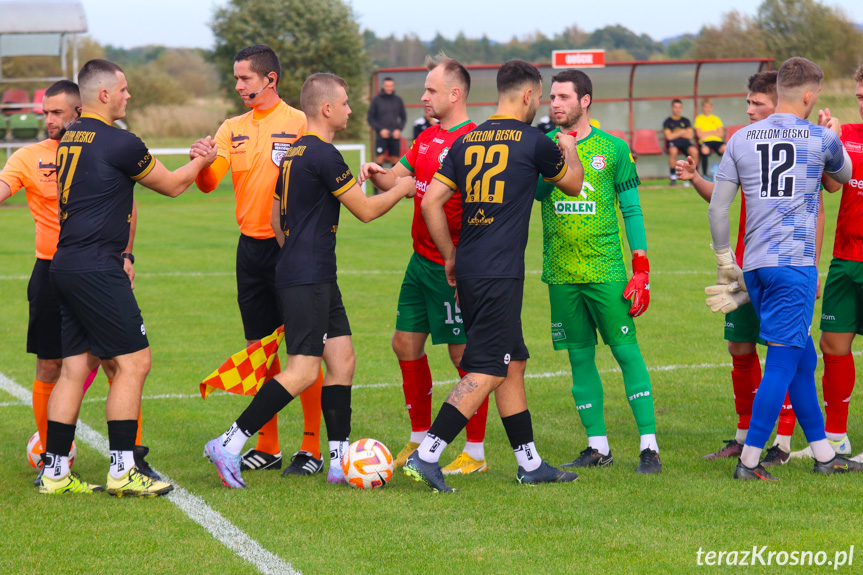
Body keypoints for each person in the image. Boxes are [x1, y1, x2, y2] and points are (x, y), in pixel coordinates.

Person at [203, 73, 417, 489]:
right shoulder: (323, 153)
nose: (351, 109)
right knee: (302, 370)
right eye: (346, 102)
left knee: (343, 361)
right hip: (309, 276)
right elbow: (368, 212)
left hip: (309, 272)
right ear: (326, 108)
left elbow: (275, 218)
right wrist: (402, 187)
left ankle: (338, 460)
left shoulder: (295, 151)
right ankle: (229, 442)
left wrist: (299, 250)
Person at [406, 59, 585, 492]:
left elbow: (431, 203)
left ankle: (530, 462)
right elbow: (574, 184)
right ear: (527, 95)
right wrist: (572, 149)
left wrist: (450, 254)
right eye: (539, 96)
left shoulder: (469, 140)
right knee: (486, 367)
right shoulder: (535, 142)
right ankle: (427, 455)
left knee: (514, 362)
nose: (539, 103)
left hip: (470, 265)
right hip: (499, 273)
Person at [40, 58, 217, 495]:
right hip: (98, 267)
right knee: (135, 362)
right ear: (103, 94)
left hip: (64, 264)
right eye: (123, 88)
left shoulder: (68, 138)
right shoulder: (120, 141)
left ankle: (55, 472)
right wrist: (202, 160)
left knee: (73, 369)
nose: (128, 95)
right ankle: (123, 469)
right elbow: (173, 185)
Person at [0, 80, 160, 486]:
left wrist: (126, 255)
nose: (49, 120)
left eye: (57, 113)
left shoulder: (96, 147)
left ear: (79, 111)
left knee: (109, 363)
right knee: (58, 364)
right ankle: (56, 458)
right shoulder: (28, 157)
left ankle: (129, 456)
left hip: (95, 265)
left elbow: (129, 206)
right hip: (55, 270)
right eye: (45, 113)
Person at [706, 57, 858, 480]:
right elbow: (843, 175)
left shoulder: (741, 138)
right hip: (794, 266)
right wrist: (833, 136)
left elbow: (719, 208)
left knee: (803, 361)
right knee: (781, 362)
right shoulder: (819, 139)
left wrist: (724, 260)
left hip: (754, 267)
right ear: (810, 96)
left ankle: (825, 455)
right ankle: (750, 461)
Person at [677, 72, 833, 466]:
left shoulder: (774, 142)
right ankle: (751, 450)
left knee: (796, 357)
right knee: (757, 351)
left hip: (764, 268)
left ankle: (800, 447)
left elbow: (822, 203)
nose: (750, 111)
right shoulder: (755, 142)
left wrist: (812, 266)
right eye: (747, 104)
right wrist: (697, 178)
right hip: (766, 269)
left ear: (779, 101)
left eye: (757, 104)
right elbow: (722, 197)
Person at [194, 44, 325, 476]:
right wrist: (203, 161)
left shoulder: (301, 122)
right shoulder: (232, 127)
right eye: (236, 78)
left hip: (291, 249)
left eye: (245, 78)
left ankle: (310, 447)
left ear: (270, 79)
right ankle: (267, 447)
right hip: (249, 250)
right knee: (260, 350)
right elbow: (210, 184)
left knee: (303, 349)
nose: (238, 86)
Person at [359, 55, 490, 475]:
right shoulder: (427, 137)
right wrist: (376, 172)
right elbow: (398, 179)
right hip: (419, 262)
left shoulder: (473, 140)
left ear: (455, 94)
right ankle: (418, 438)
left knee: (464, 357)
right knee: (405, 343)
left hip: (452, 266)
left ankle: (475, 451)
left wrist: (461, 257)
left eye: (431, 90)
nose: (423, 97)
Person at [536, 69, 660, 474]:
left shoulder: (614, 148)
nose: (555, 104)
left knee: (626, 353)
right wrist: (550, 156)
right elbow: (535, 194)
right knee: (579, 359)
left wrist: (639, 266)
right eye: (552, 97)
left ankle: (648, 446)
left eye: (564, 97)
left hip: (606, 269)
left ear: (585, 101)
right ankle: (598, 446)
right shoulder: (541, 147)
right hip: (560, 272)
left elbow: (632, 209)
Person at [790, 64, 863, 462]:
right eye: (859, 97)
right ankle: (836, 439)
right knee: (833, 345)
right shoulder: (848, 135)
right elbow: (832, 186)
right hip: (845, 259)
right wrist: (828, 137)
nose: (862, 104)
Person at [367, 77, 406, 165]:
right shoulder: (376, 100)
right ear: (383, 86)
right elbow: (370, 118)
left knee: (395, 161)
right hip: (381, 136)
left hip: (394, 136)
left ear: (393, 86)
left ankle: (393, 179)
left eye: (391, 86)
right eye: (387, 86)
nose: (389, 88)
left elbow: (403, 118)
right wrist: (380, 130)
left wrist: (398, 130)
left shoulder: (398, 100)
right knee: (379, 160)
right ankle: (378, 179)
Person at [663, 99, 698, 186]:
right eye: (675, 107)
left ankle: (694, 175)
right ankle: (673, 177)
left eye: (679, 107)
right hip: (673, 143)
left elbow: (690, 136)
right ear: (672, 108)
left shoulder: (686, 121)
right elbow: (669, 137)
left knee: (694, 151)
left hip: (685, 143)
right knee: (673, 151)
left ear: (681, 108)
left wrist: (675, 133)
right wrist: (682, 132)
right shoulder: (668, 121)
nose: (677, 109)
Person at [694, 98, 726, 178]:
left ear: (712, 108)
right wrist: (713, 132)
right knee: (705, 150)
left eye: (709, 107)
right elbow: (699, 135)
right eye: (706, 107)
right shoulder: (699, 119)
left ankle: (727, 172)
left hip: (716, 141)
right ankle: (704, 174)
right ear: (702, 107)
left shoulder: (716, 118)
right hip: (705, 142)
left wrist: (706, 132)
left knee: (725, 148)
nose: (708, 109)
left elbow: (721, 134)